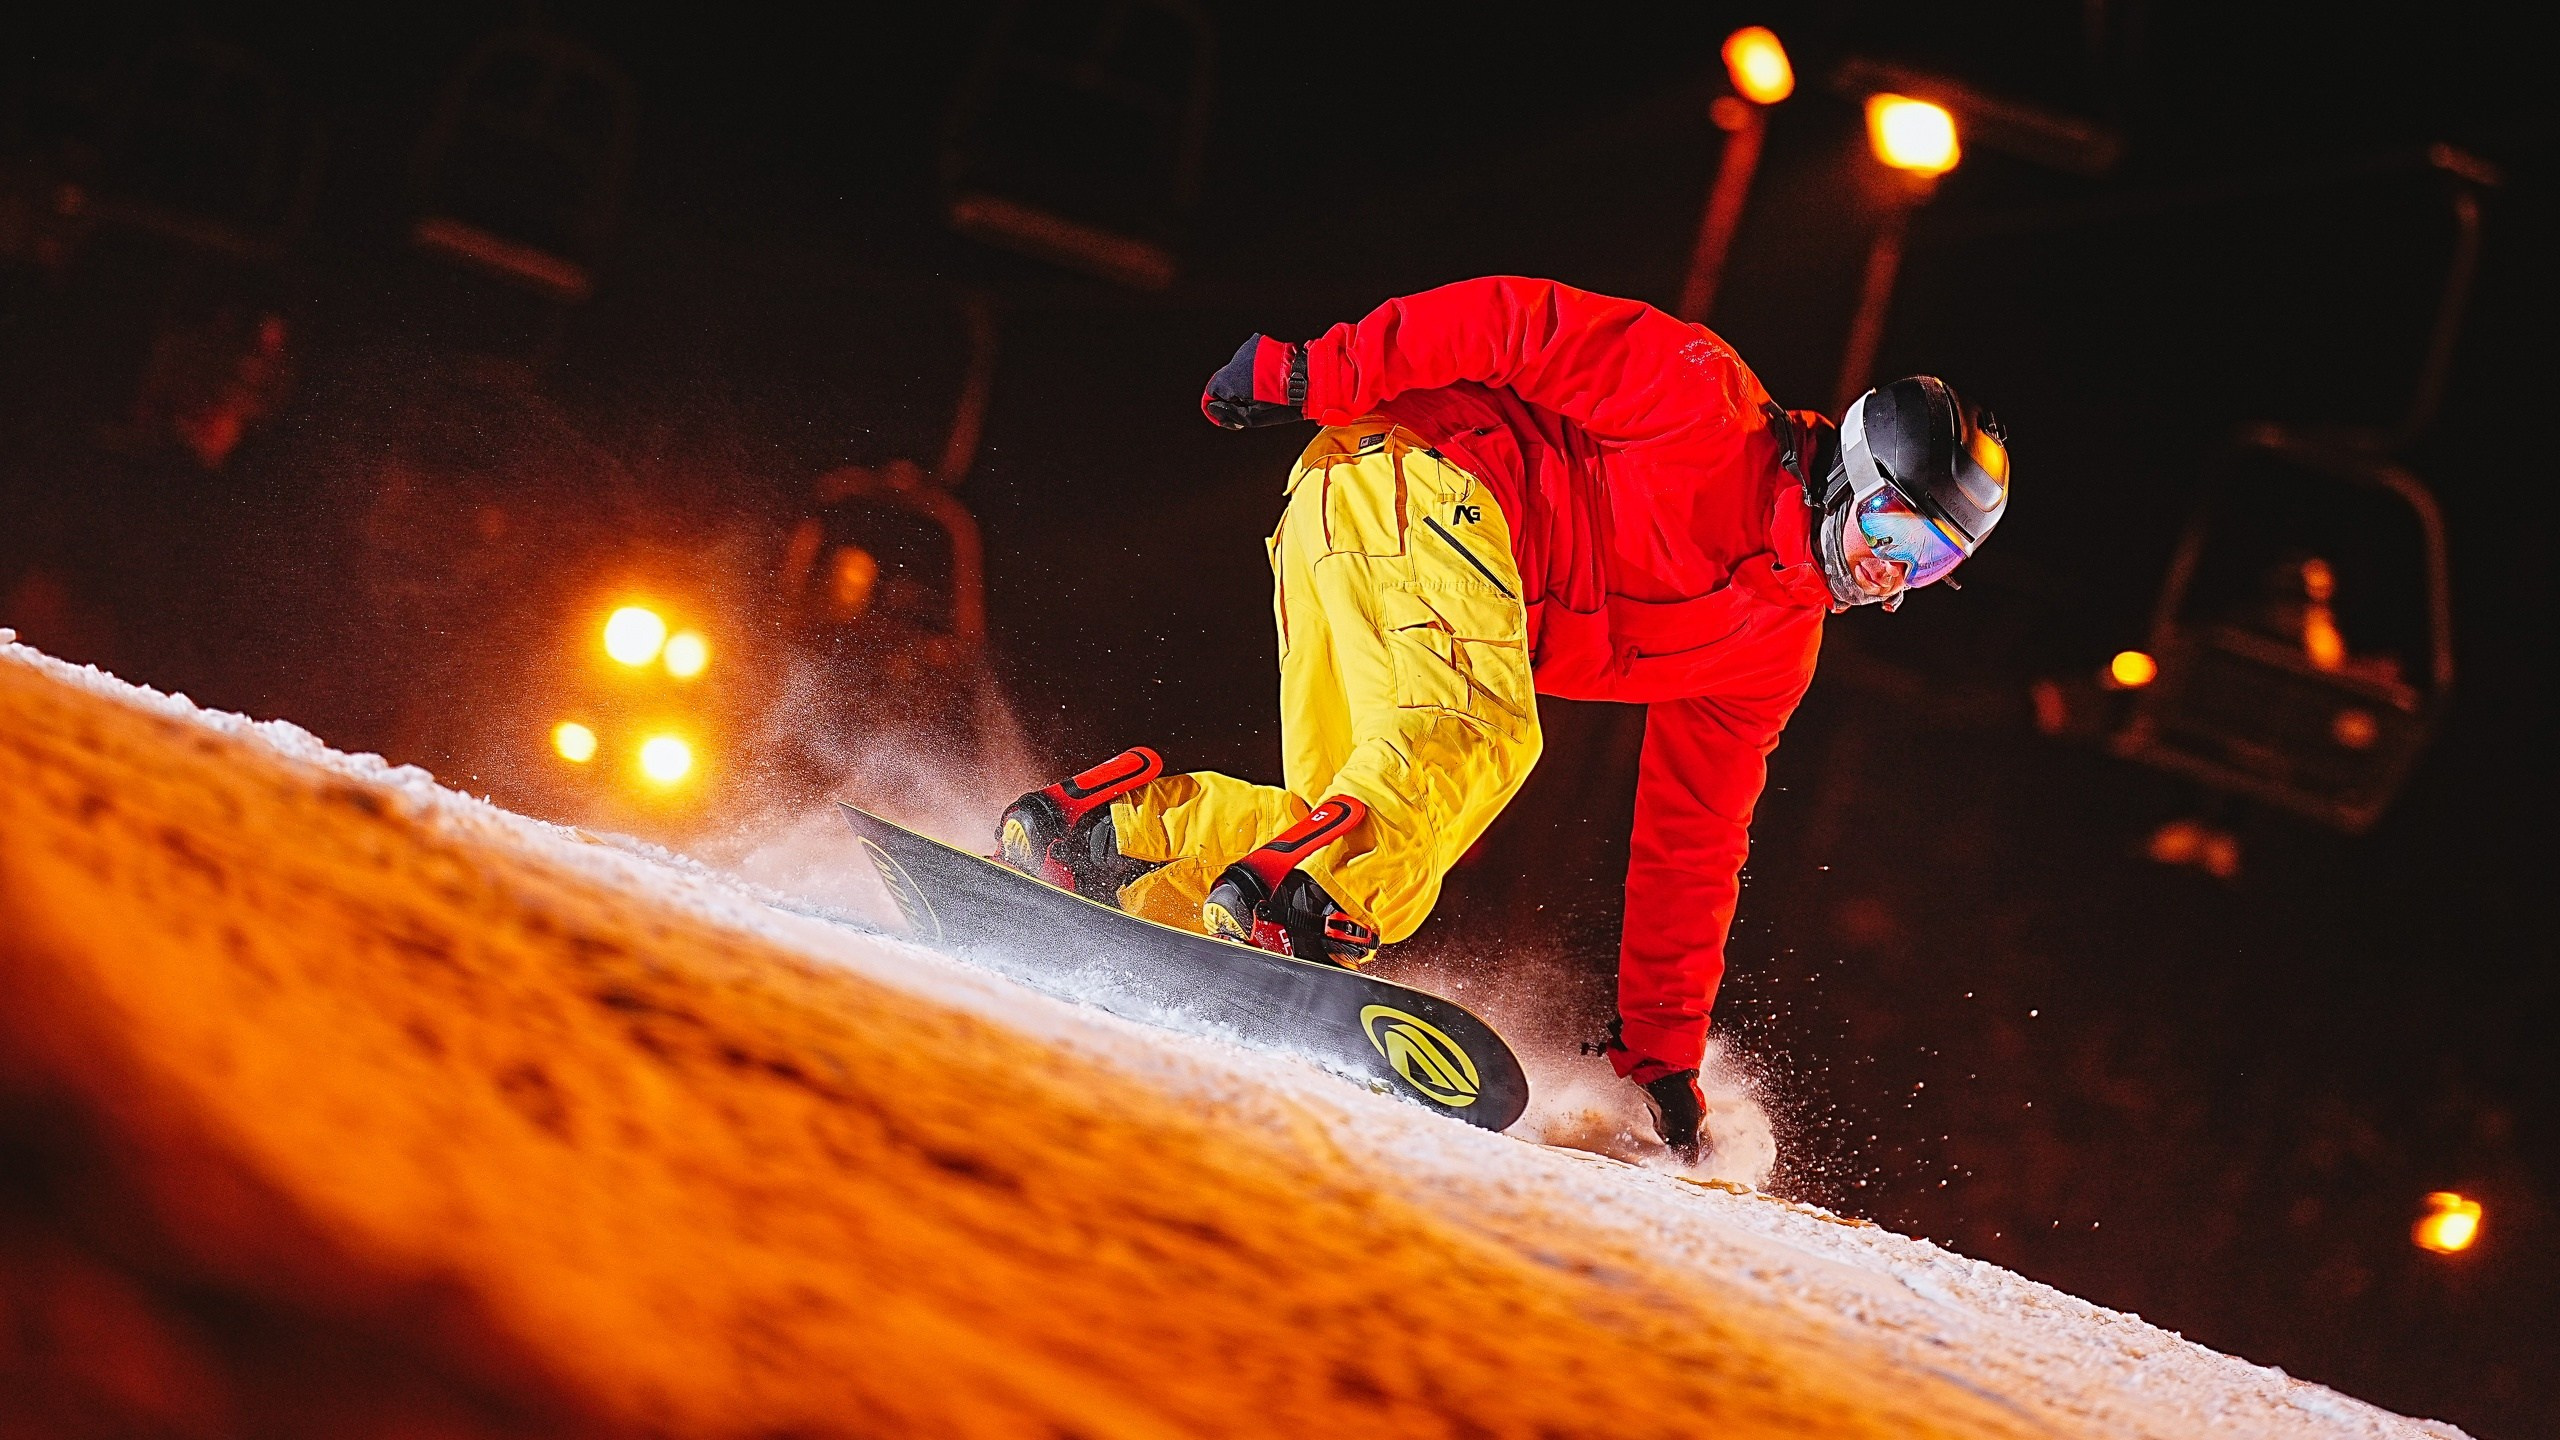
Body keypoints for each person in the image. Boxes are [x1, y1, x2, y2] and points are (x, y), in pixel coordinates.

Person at [998, 276, 2010, 1159]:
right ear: (1854, 474)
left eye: (1931, 563)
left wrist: (1661, 1049)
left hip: (1359, 524)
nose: (1891, 569)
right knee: (1474, 740)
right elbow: (1513, 323)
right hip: (1423, 480)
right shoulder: (1707, 407)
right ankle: (1286, 912)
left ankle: (1111, 846)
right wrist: (1320, 372)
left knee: (1359, 830)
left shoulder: (1773, 647)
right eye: (1893, 528)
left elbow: (1693, 839)